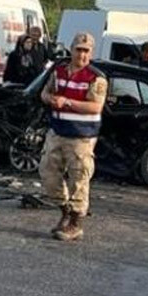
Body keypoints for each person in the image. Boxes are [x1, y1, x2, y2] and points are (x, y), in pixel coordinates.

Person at [39, 32, 108, 242]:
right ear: (72, 49)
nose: (82, 55)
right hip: (57, 131)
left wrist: (67, 102)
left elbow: (96, 106)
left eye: (87, 51)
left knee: (79, 177)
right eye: (79, 49)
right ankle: (64, 211)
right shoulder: (59, 71)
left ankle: (76, 222)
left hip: (81, 136)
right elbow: (44, 93)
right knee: (48, 171)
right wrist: (51, 98)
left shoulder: (96, 77)